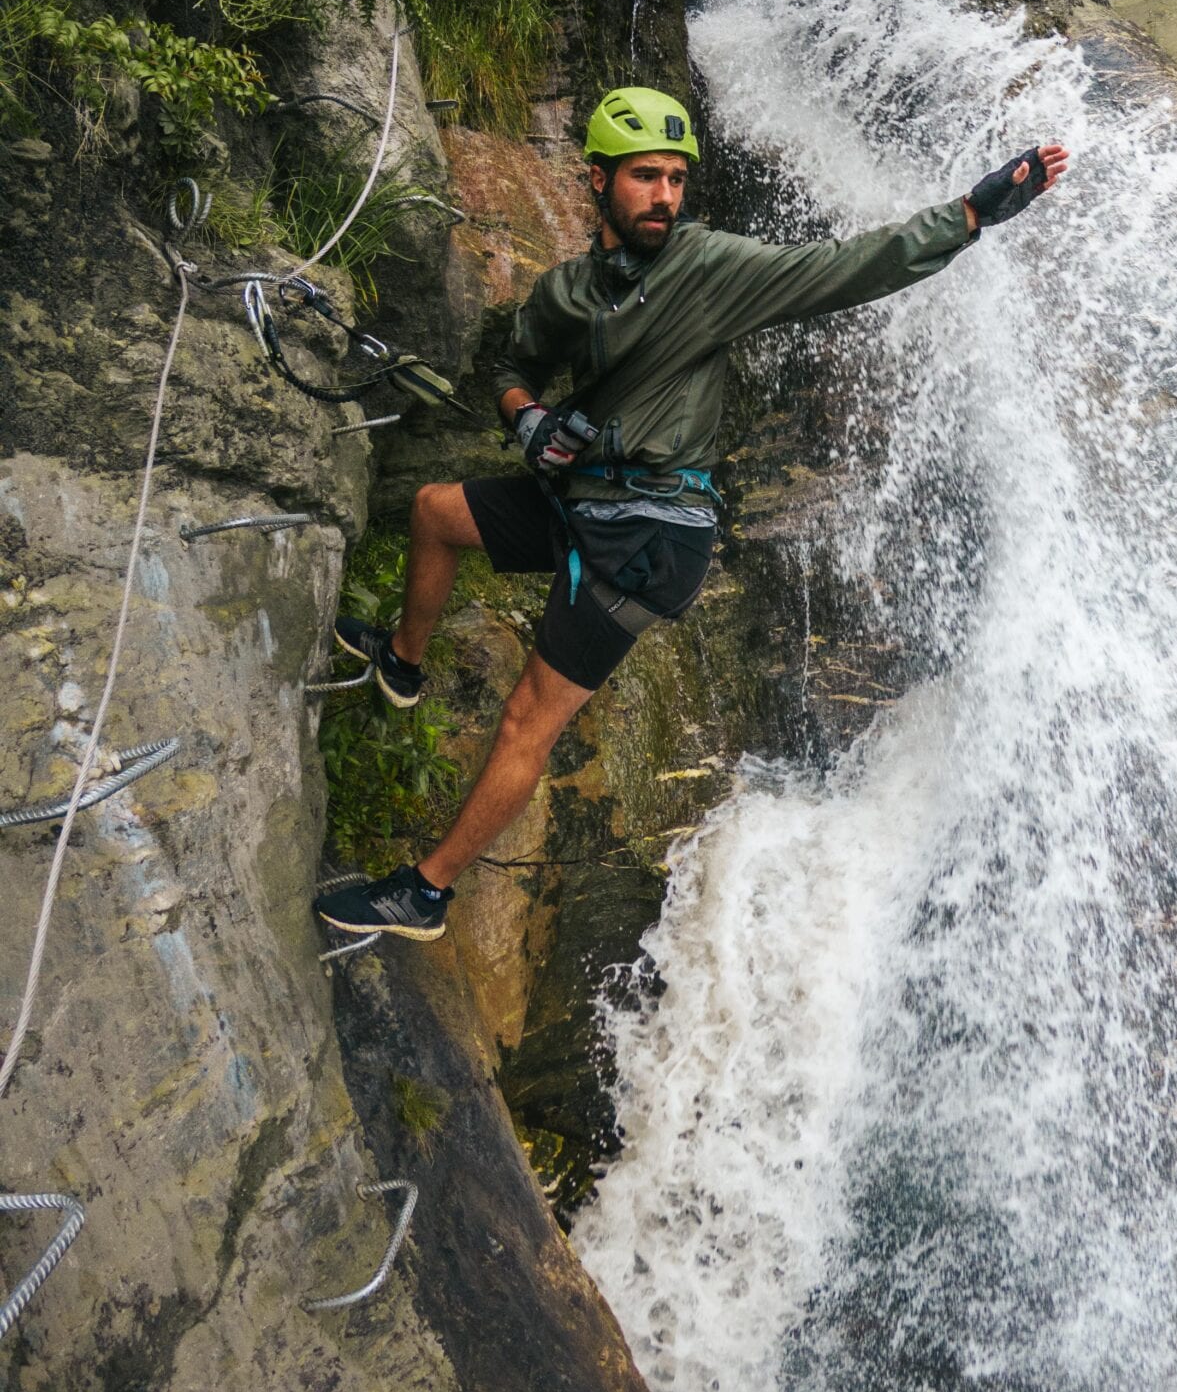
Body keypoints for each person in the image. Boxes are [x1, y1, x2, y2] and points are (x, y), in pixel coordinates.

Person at [316, 86, 1069, 940]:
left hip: (652, 536)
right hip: (581, 499)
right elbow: (513, 366)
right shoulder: (568, 292)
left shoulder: (708, 268)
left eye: (677, 178)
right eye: (646, 177)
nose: (666, 195)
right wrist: (526, 418)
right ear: (596, 179)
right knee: (434, 510)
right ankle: (403, 666)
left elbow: (849, 264)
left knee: (530, 714)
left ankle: (426, 892)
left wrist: (974, 211)